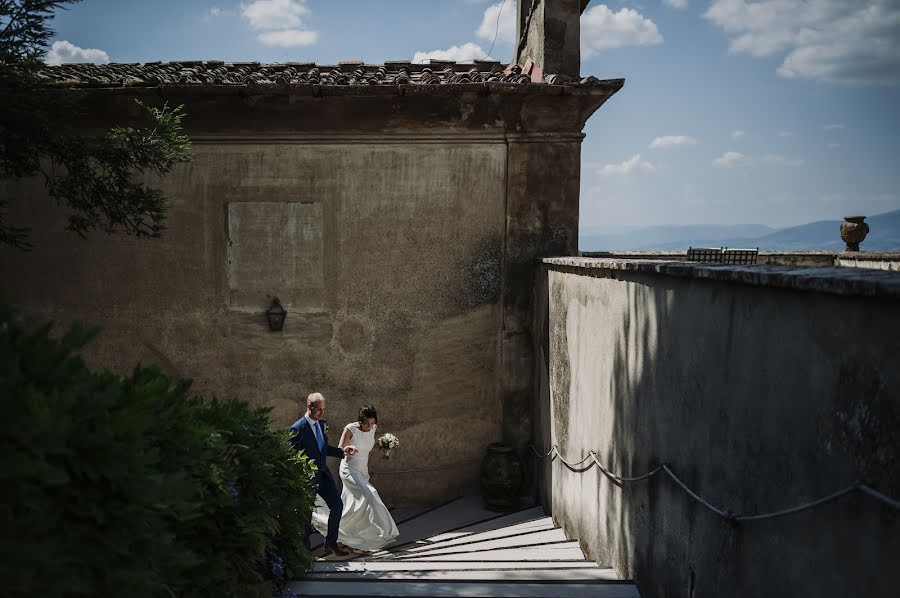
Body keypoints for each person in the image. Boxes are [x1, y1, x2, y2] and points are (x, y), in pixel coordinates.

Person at [311, 405, 399, 552]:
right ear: (360, 420)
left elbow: (367, 446)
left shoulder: (373, 428)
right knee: (372, 495)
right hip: (349, 471)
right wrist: (349, 451)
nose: (370, 426)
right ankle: (387, 533)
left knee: (355, 507)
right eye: (367, 423)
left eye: (372, 423)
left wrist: (383, 445)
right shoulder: (350, 429)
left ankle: (351, 534)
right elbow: (340, 449)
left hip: (363, 471)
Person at [289, 392, 356, 557]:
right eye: (318, 409)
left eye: (323, 409)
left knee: (337, 505)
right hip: (307, 478)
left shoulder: (322, 423)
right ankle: (304, 552)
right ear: (309, 406)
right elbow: (292, 456)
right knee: (306, 515)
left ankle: (331, 543)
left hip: (323, 474)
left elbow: (322, 449)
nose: (322, 413)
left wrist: (342, 451)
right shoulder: (297, 428)